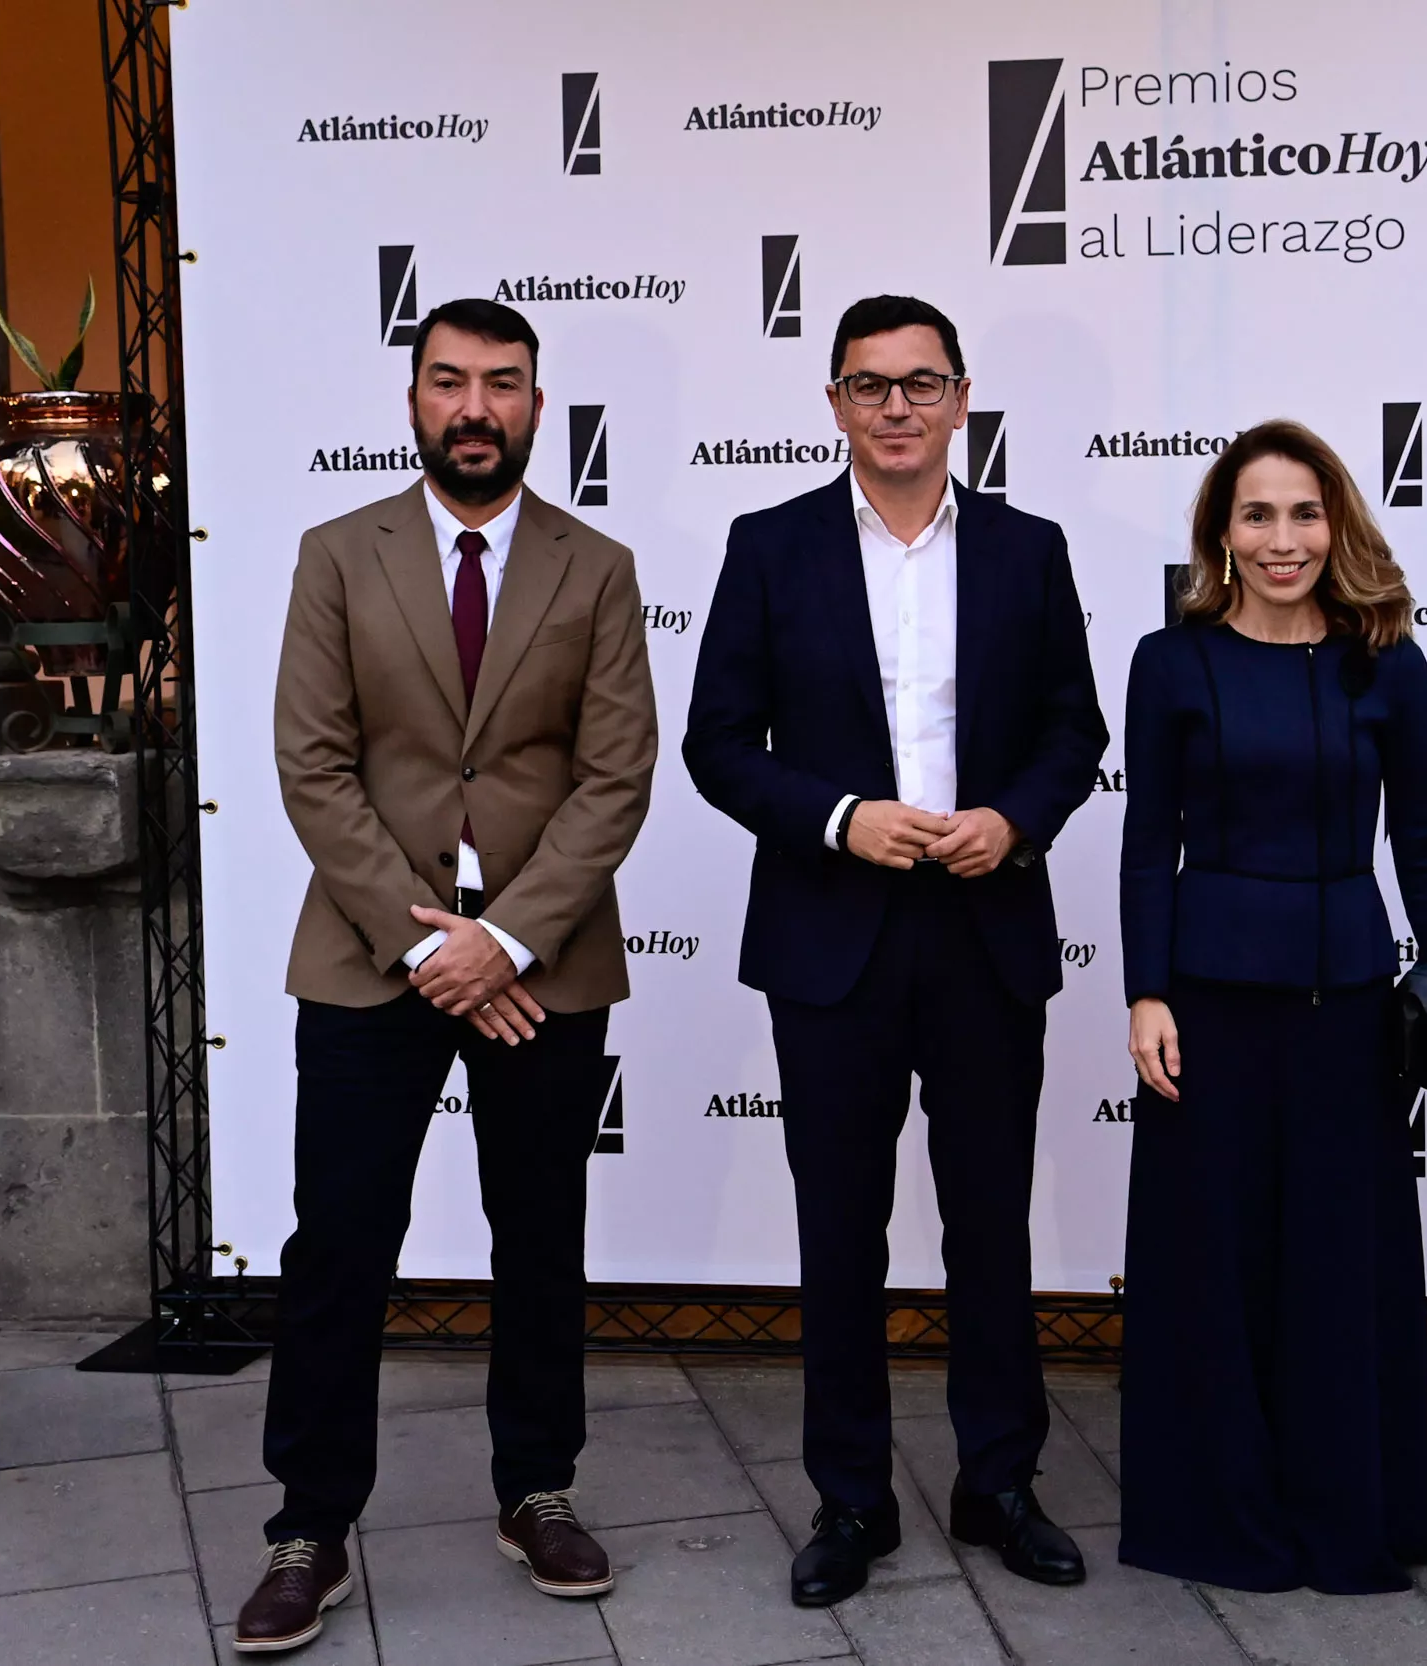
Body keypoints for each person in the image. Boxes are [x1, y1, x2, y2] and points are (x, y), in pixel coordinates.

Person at [240, 298, 657, 1653]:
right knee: (340, 1243)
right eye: (450, 382)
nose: (475, 406)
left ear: (539, 404)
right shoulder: (337, 555)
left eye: (504, 383)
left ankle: (536, 1484)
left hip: (545, 959)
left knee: (539, 1236)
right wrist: (430, 944)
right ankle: (311, 1520)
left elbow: (614, 777)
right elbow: (313, 761)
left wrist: (509, 938)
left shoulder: (595, 565)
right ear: (414, 399)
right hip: (375, 958)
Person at [682, 295, 1109, 1607]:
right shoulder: (770, 546)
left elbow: (1073, 730)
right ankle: (851, 1498)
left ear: (962, 398)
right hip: (833, 934)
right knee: (839, 1232)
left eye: (922, 383)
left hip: (985, 927)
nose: (898, 407)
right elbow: (715, 744)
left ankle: (999, 1481)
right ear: (834, 405)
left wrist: (1014, 820)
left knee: (990, 1225)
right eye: (871, 386)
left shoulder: (1031, 549)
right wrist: (841, 818)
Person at [1115, 419, 1427, 1594]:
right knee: (1211, 1266)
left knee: (1338, 1261)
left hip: (1345, 1009)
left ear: (1340, 525)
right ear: (1221, 532)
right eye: (1258, 515)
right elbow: (1142, 844)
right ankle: (1218, 1511)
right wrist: (1145, 992)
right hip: (1209, 1009)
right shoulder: (1170, 661)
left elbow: (1425, 835)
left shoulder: (1390, 662)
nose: (1283, 540)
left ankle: (1344, 1508)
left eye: (1305, 513)